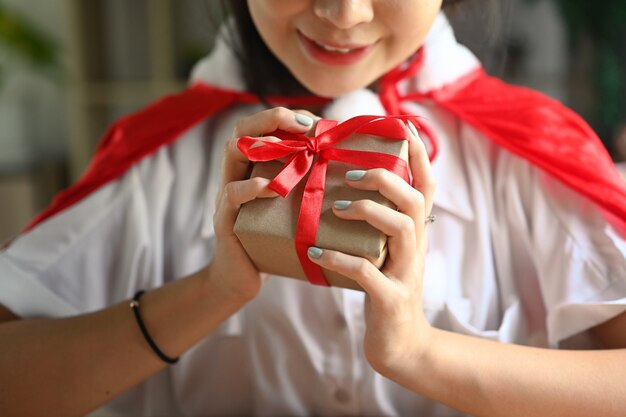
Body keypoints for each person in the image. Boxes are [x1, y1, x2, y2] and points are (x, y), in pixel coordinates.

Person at [1, 1, 625, 416]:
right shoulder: (155, 159)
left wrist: (421, 356)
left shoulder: (528, 154)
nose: (342, 13)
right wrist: (210, 293)